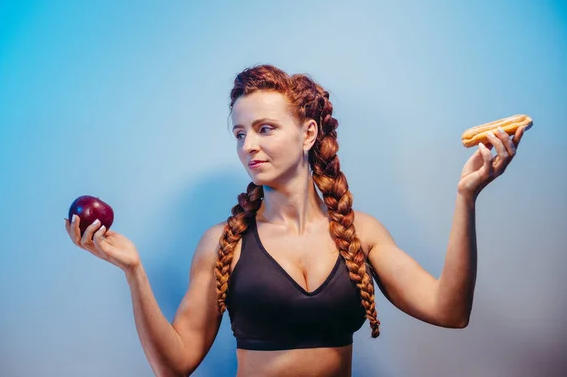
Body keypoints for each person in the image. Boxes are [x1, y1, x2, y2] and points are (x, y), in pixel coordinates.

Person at [65, 64, 527, 377]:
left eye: (265, 128)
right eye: (240, 133)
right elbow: (176, 364)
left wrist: (466, 197)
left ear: (308, 133)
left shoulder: (360, 234)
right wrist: (134, 271)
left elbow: (450, 311)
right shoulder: (223, 243)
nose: (248, 145)